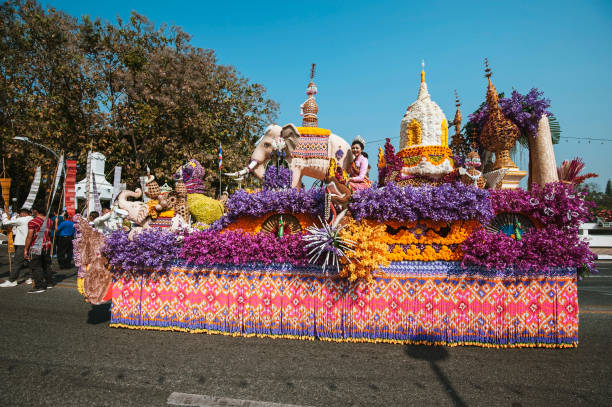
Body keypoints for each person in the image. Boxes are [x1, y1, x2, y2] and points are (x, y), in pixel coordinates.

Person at [24, 205, 54, 294]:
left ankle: (39, 286)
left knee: (36, 266)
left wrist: (26, 249)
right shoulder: (49, 221)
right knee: (46, 265)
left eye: (33, 211)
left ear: (35, 211)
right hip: (47, 245)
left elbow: (29, 236)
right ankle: (49, 282)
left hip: (36, 246)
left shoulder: (33, 222)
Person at [0, 207, 33, 287]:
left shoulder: (22, 220)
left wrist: (4, 214)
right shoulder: (31, 219)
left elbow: (5, 222)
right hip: (30, 243)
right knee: (29, 262)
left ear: (23, 213)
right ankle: (30, 277)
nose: (19, 214)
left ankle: (12, 280)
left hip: (22, 244)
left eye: (20, 213)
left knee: (17, 262)